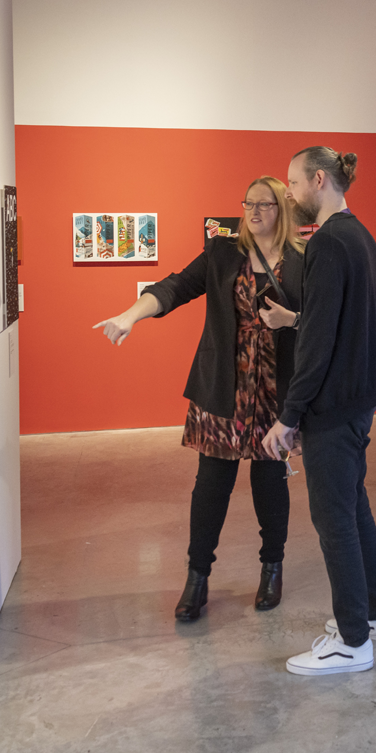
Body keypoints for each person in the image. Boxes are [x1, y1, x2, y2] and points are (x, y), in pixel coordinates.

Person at [93, 176, 304, 622]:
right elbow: (174, 287)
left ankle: (272, 567)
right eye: (248, 203)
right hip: (223, 385)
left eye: (265, 204)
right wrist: (132, 315)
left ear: (282, 209)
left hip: (275, 388)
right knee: (211, 484)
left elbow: (321, 319)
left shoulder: (302, 260)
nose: (254, 212)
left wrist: (293, 320)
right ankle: (197, 576)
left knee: (270, 482)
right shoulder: (222, 252)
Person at [260, 146, 376, 677]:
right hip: (358, 399)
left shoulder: (328, 243)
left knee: (334, 519)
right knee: (354, 509)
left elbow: (318, 344)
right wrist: (295, 319)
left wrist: (289, 416)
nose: (289, 194)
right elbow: (340, 321)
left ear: (318, 180)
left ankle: (353, 642)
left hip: (334, 406)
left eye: (293, 183)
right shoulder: (360, 236)